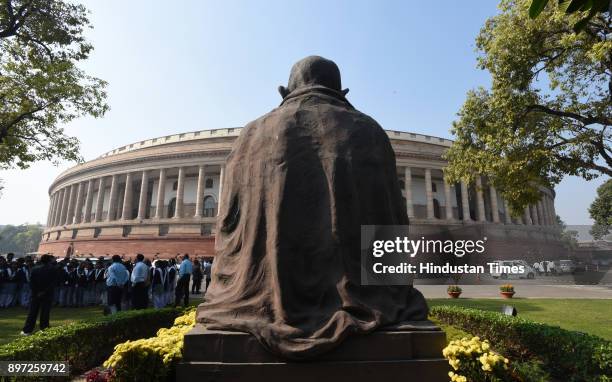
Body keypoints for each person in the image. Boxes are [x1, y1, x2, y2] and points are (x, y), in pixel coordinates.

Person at [22, 255, 57, 335]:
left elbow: (31, 282)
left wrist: (37, 292)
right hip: (47, 293)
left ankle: (27, 329)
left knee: (32, 312)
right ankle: (44, 328)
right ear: (49, 261)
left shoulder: (35, 269)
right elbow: (53, 283)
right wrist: (44, 291)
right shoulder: (53, 269)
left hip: (35, 293)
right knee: (45, 312)